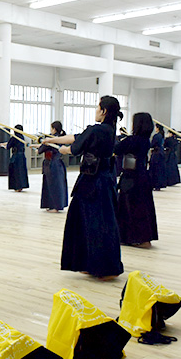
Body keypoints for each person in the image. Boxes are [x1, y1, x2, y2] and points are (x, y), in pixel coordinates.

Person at [46, 95, 123, 278]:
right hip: (105, 180)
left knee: (88, 222)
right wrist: (51, 140)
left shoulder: (96, 129)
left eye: (98, 107)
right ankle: (96, 265)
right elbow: (76, 137)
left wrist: (61, 149)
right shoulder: (109, 130)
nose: (96, 110)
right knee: (102, 222)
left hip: (91, 183)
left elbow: (73, 148)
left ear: (104, 111)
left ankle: (97, 266)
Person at [115, 113, 158, 247]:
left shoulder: (133, 140)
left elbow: (117, 149)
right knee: (142, 207)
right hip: (142, 176)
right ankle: (140, 238)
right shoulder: (145, 140)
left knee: (130, 207)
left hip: (131, 177)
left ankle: (136, 238)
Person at [34, 121, 68, 213]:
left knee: (53, 185)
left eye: (51, 128)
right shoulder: (61, 138)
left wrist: (38, 150)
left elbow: (42, 148)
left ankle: (55, 206)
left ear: (54, 129)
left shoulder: (52, 139)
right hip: (58, 163)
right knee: (56, 184)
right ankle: (53, 205)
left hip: (52, 164)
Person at [0, 126, 29, 192]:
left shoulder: (14, 137)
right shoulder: (21, 137)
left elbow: (8, 146)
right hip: (22, 156)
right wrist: (3, 144)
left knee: (16, 171)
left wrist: (3, 146)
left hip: (16, 157)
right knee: (21, 171)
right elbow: (11, 143)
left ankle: (17, 187)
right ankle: (21, 186)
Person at [149, 123, 167, 191]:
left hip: (156, 154)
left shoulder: (156, 136)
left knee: (154, 169)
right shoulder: (162, 136)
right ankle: (158, 185)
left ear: (157, 128)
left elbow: (152, 144)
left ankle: (155, 184)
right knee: (160, 169)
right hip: (161, 153)